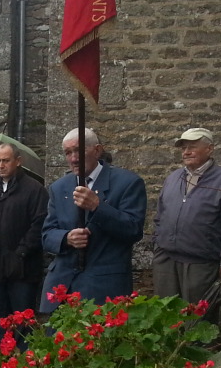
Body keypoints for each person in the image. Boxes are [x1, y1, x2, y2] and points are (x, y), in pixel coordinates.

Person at [40, 128, 147, 313]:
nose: (73, 159)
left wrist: (99, 207)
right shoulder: (59, 187)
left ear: (97, 150)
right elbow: (47, 234)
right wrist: (66, 238)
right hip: (63, 287)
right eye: (68, 153)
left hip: (103, 288)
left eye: (79, 151)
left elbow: (133, 229)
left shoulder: (127, 183)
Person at [152, 127, 221, 303]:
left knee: (197, 321)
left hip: (201, 263)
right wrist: (158, 244)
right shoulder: (173, 177)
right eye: (183, 148)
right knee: (165, 317)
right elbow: (160, 216)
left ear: (209, 149)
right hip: (166, 260)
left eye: (192, 146)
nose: (186, 152)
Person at [0, 144, 49, 341]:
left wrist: (20, 253)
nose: (1, 165)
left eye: (6, 160)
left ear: (18, 161)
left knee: (22, 320)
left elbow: (39, 224)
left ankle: (23, 365)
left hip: (22, 269)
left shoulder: (34, 190)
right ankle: (0, 361)